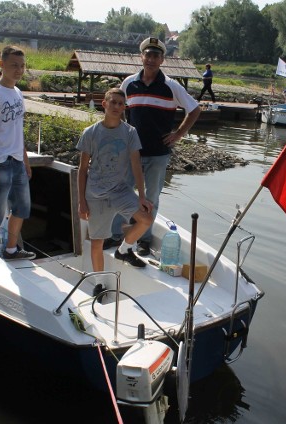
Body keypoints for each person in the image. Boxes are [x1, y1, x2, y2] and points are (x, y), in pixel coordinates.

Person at [109, 37, 200, 257]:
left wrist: (179, 133)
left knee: (151, 198)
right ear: (142, 57)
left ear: (162, 59)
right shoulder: (129, 83)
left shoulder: (171, 86)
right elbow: (119, 110)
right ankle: (114, 236)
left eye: (155, 56)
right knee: (122, 193)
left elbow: (195, 109)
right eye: (147, 55)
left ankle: (143, 239)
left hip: (158, 154)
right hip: (131, 153)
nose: (150, 59)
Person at [77, 88, 154, 271]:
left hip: (120, 190)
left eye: (120, 104)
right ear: (104, 104)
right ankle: (100, 283)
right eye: (113, 102)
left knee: (146, 219)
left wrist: (142, 196)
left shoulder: (130, 132)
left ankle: (124, 249)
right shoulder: (90, 132)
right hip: (95, 194)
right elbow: (82, 170)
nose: (116, 106)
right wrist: (82, 202)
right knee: (97, 242)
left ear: (124, 108)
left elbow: (136, 165)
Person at [0, 45, 36, 261]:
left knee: (22, 208)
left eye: (22, 66)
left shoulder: (18, 92)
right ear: (2, 64)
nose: (19, 70)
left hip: (17, 160)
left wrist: (26, 160)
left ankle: (11, 249)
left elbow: (17, 129)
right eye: (13, 65)